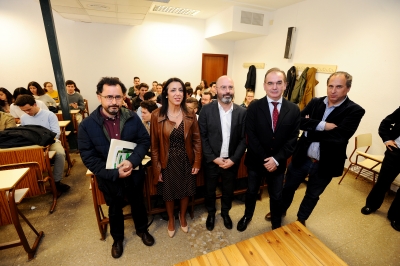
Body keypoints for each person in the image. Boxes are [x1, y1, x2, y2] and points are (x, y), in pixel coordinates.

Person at [267, 71, 365, 227]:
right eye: (330, 86)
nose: (333, 91)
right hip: (302, 157)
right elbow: (297, 121)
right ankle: (280, 211)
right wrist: (322, 126)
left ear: (348, 88)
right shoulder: (315, 102)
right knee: (288, 188)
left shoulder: (354, 110)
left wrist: (309, 129)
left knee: (312, 194)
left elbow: (340, 137)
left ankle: (301, 220)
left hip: (325, 162)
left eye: (338, 87)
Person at [78, 77, 154, 259]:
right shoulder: (87, 125)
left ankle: (142, 230)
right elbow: (88, 157)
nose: (114, 102)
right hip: (109, 177)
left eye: (118, 97)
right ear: (99, 97)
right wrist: (113, 173)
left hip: (133, 172)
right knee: (114, 208)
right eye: (109, 97)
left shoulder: (132, 117)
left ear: (123, 97)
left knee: (138, 203)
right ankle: (117, 239)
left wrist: (132, 161)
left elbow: (144, 141)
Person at [237, 68, 300, 231]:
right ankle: (247, 216)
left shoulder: (293, 110)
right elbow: (250, 136)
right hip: (256, 161)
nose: (274, 87)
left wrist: (276, 159)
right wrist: (266, 159)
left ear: (285, 85)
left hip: (278, 163)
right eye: (270, 83)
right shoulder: (254, 107)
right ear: (264, 86)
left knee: (276, 195)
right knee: (251, 192)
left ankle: (276, 222)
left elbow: (292, 139)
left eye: (279, 83)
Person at [150, 77, 201, 238]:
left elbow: (196, 140)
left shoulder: (190, 113)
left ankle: (182, 216)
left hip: (186, 159)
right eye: (173, 90)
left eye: (180, 90)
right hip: (167, 160)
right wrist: (156, 168)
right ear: (166, 94)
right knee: (169, 193)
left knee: (186, 191)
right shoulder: (156, 115)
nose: (178, 94)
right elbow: (155, 145)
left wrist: (197, 161)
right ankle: (171, 219)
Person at [198, 76, 246, 231]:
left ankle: (225, 213)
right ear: (216, 89)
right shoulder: (206, 110)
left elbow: (244, 139)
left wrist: (233, 159)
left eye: (230, 87)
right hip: (212, 161)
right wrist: (213, 158)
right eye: (223, 87)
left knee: (228, 190)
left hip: (231, 161)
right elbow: (202, 137)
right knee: (210, 190)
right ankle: (211, 213)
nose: (227, 91)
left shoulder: (242, 112)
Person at [14, 95, 68, 193]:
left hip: (50, 142)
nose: (27, 112)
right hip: (33, 144)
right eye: (24, 110)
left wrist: (45, 142)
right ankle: (32, 184)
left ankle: (57, 181)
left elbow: (56, 133)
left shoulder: (49, 115)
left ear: (34, 104)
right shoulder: (24, 117)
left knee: (60, 154)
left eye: (29, 109)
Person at [361, 107, 400, 232]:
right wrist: (387, 139)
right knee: (383, 182)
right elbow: (385, 123)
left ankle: (395, 216)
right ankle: (371, 205)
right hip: (395, 152)